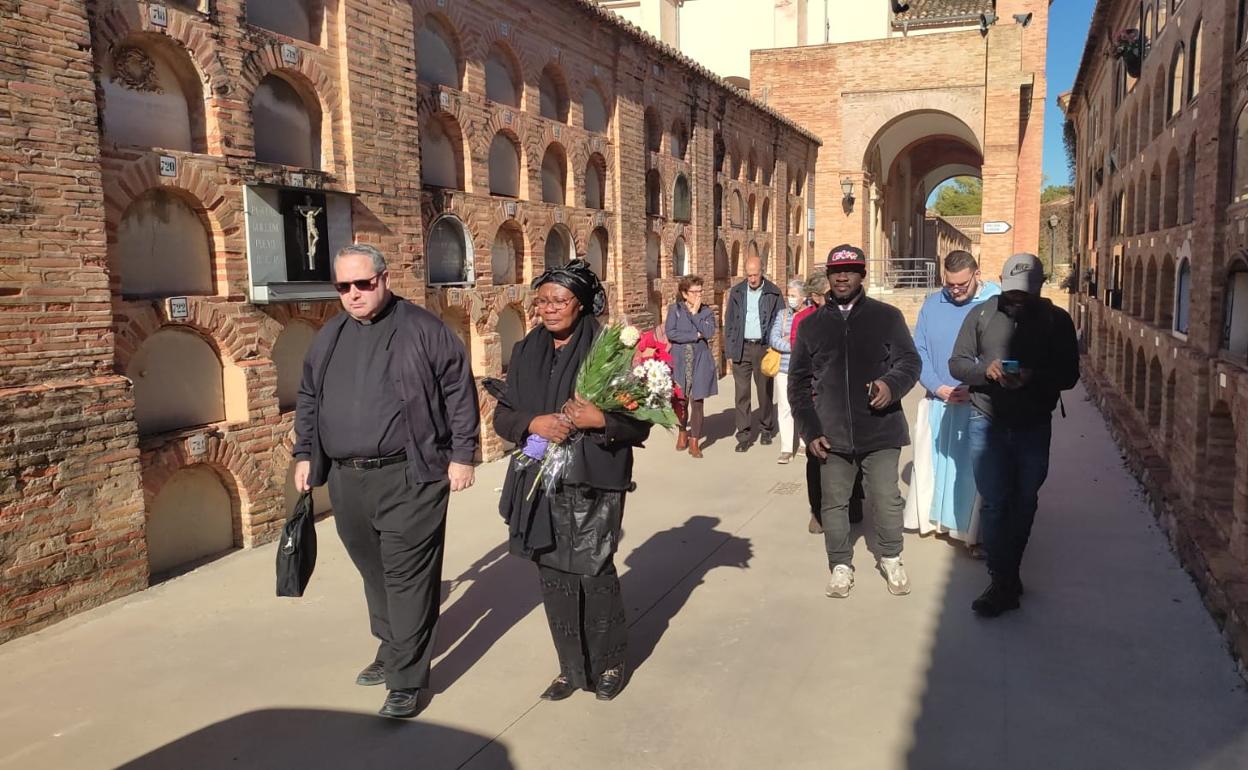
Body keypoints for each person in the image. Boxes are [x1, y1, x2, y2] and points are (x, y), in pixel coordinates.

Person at [293, 243, 479, 719]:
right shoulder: (330, 336)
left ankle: (407, 679)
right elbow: (309, 396)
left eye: (363, 283)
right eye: (343, 286)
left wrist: (462, 455)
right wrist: (304, 454)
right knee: (373, 572)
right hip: (348, 480)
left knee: (407, 577)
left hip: (411, 474)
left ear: (384, 279)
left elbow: (459, 391)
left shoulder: (423, 329)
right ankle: (393, 646)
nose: (353, 294)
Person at [493, 260, 651, 701]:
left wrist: (601, 419)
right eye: (542, 301)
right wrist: (534, 423)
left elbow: (640, 421)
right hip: (540, 478)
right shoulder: (525, 351)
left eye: (558, 300)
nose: (548, 308)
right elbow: (504, 415)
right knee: (554, 576)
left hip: (593, 480)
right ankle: (571, 667)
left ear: (579, 304)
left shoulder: (608, 350)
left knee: (593, 571)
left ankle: (609, 663)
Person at [949, 253, 1079, 618]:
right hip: (986, 420)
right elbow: (957, 363)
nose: (1017, 297)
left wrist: (1033, 377)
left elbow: (1070, 374)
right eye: (1012, 290)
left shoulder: (1057, 320)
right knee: (994, 503)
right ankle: (1001, 581)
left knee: (1024, 502)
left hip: (1033, 425)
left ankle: (1008, 576)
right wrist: (985, 370)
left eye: (1025, 291)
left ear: (1040, 285)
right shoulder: (982, 315)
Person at [788, 244, 921, 598]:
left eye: (849, 271)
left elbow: (909, 362)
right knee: (834, 503)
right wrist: (810, 430)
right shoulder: (811, 325)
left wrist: (890, 386)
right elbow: (798, 384)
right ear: (828, 277)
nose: (842, 277)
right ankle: (840, 565)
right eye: (836, 272)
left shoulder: (887, 317)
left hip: (880, 429)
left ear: (862, 274)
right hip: (831, 434)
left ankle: (891, 558)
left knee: (886, 497)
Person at [903, 251, 1001, 556]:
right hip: (939, 399)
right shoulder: (933, 304)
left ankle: (973, 533)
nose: (955, 290)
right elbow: (918, 349)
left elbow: (999, 354)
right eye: (949, 284)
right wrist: (937, 386)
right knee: (936, 467)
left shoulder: (995, 304)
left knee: (973, 474)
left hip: (978, 404)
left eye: (962, 284)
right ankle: (939, 523)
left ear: (977, 274)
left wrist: (974, 386)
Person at [723, 256, 782, 452]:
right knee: (741, 393)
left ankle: (766, 429)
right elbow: (730, 322)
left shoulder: (773, 292)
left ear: (762, 272)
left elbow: (780, 320)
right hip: (742, 346)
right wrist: (729, 351)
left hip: (763, 348)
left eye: (755, 275)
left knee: (764, 391)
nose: (752, 279)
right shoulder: (737, 292)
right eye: (749, 275)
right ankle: (743, 435)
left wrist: (775, 346)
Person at [666, 275, 718, 459]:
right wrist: (695, 335)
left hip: (700, 360)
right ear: (684, 293)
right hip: (680, 360)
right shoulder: (675, 310)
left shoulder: (706, 311)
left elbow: (709, 332)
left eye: (700, 291)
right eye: (694, 292)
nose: (698, 295)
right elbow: (671, 333)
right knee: (680, 400)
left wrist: (695, 315)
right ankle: (682, 431)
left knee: (697, 401)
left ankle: (694, 441)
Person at [768, 278, 806, 464]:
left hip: (804, 369)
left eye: (793, 295)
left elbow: (809, 341)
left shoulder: (810, 315)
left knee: (804, 405)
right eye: (788, 295)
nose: (790, 298)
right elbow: (773, 339)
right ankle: (786, 448)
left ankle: (804, 442)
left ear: (803, 297)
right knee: (785, 407)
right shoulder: (782, 315)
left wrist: (789, 341)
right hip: (783, 369)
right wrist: (794, 345)